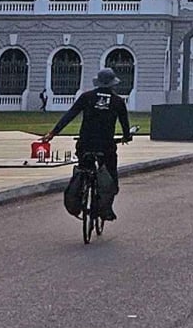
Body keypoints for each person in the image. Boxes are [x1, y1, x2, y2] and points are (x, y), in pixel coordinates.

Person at [42, 69, 133, 220]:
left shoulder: (87, 97)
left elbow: (69, 115)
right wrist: (126, 136)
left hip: (85, 143)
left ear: (98, 82)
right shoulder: (118, 101)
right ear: (112, 84)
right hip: (106, 146)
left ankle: (81, 192)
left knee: (83, 167)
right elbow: (124, 124)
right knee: (111, 174)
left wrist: (53, 133)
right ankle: (106, 208)